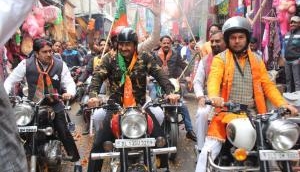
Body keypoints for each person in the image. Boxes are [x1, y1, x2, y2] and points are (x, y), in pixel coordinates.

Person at [195, 16, 298, 172]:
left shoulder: (257, 60)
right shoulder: (220, 59)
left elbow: (268, 86)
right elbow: (214, 78)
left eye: (241, 37)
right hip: (224, 113)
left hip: (253, 115)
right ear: (228, 40)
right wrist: (214, 96)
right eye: (233, 37)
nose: (237, 41)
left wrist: (283, 104)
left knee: (273, 151)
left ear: (247, 38)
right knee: (208, 152)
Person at [87, 27, 180, 172]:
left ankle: (163, 169)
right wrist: (93, 96)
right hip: (115, 107)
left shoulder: (145, 57)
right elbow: (97, 77)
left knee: (161, 140)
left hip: (141, 107)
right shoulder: (109, 58)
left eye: (128, 44)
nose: (124, 47)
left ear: (135, 44)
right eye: (121, 44)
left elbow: (159, 73)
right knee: (99, 144)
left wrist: (170, 92)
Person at [4, 38, 82, 172]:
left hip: (54, 103)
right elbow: (10, 81)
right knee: (17, 129)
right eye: (44, 52)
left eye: (50, 51)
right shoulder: (25, 64)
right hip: (32, 106)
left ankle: (76, 161)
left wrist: (69, 92)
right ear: (36, 53)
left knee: (63, 130)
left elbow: (69, 82)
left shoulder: (60, 64)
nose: (48, 54)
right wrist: (5, 94)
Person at [150, 35, 197, 141]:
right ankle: (151, 130)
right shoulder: (154, 55)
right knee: (152, 103)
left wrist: (188, 76)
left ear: (171, 44)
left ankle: (189, 130)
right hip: (156, 83)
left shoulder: (176, 54)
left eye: (168, 43)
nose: (166, 44)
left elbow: (184, 66)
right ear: (160, 43)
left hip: (172, 84)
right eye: (164, 43)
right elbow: (148, 67)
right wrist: (148, 77)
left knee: (182, 105)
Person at [193, 30, 226, 155]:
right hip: (211, 101)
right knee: (202, 113)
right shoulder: (205, 60)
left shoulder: (232, 58)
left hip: (231, 101)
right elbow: (197, 82)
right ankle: (201, 149)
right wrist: (201, 96)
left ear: (226, 42)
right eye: (212, 41)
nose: (214, 44)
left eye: (218, 41)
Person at [282, 15, 300, 92]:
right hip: (287, 60)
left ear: (299, 24)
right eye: (291, 22)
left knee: (297, 81)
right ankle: (288, 96)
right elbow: (283, 46)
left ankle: (298, 98)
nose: (292, 24)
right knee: (288, 80)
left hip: (296, 60)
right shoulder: (287, 34)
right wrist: (283, 56)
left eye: (294, 22)